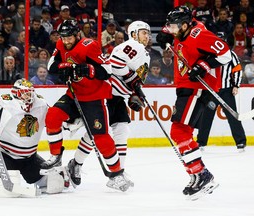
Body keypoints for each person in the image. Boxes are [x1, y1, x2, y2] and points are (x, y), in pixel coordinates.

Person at [44, 19, 132, 192]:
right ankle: (55, 156)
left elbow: (106, 71)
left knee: (101, 138)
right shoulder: (61, 44)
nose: (66, 41)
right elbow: (51, 66)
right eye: (63, 37)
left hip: (94, 98)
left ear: (77, 35)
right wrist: (65, 66)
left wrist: (88, 69)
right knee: (52, 116)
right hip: (74, 94)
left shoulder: (89, 45)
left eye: (69, 37)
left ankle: (116, 174)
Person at [156, 5, 232, 199]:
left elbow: (225, 54)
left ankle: (202, 174)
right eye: (170, 27)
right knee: (185, 132)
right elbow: (170, 32)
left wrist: (204, 65)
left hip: (197, 88)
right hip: (186, 87)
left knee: (178, 131)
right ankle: (197, 175)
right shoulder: (183, 29)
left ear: (184, 25)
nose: (171, 30)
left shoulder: (200, 35)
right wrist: (166, 34)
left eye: (173, 27)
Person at [66, 20, 150, 188]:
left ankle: (117, 172)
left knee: (121, 130)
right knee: (97, 134)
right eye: (143, 32)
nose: (147, 36)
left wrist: (134, 93)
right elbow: (115, 65)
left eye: (148, 33)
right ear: (133, 34)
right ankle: (77, 163)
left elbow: (134, 78)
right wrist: (132, 81)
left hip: (116, 96)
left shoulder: (144, 52)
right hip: (107, 93)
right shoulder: (133, 46)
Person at [0, 79, 68, 195]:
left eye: (30, 93)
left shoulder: (40, 103)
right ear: (16, 93)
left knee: (55, 183)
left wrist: (68, 121)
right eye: (25, 93)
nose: (28, 97)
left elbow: (53, 119)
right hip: (3, 154)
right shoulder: (5, 100)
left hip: (29, 157)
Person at [197, 51, 247, 151]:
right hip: (211, 91)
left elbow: (237, 69)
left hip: (226, 91)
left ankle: (240, 142)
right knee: (206, 117)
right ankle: (201, 142)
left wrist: (236, 85)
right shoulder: (207, 53)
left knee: (233, 116)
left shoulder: (231, 54)